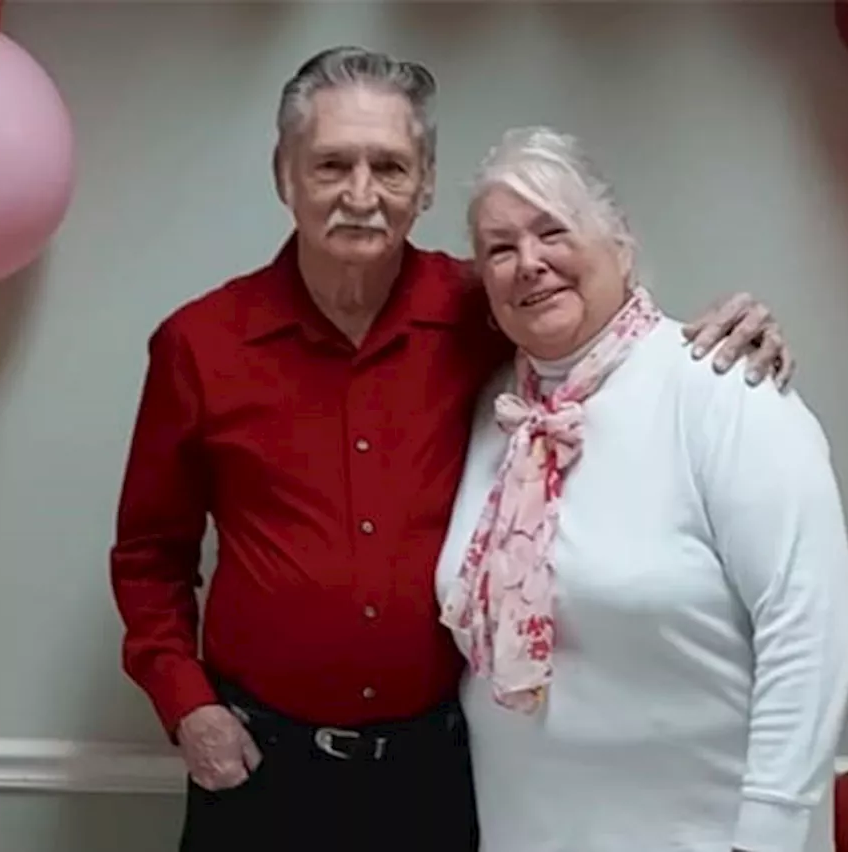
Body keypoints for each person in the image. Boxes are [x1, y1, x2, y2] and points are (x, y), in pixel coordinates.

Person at [109, 46, 797, 852]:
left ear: (426, 183)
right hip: (263, 767)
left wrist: (721, 334)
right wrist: (184, 700)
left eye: (390, 168)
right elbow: (149, 556)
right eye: (332, 164)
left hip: (435, 773)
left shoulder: (485, 308)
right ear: (284, 174)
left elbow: (602, 333)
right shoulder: (199, 345)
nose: (361, 196)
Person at [435, 126, 848, 852]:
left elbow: (806, 622)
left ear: (620, 242)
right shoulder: (491, 412)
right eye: (499, 249)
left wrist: (770, 831)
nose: (528, 263)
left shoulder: (721, 387)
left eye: (552, 231)